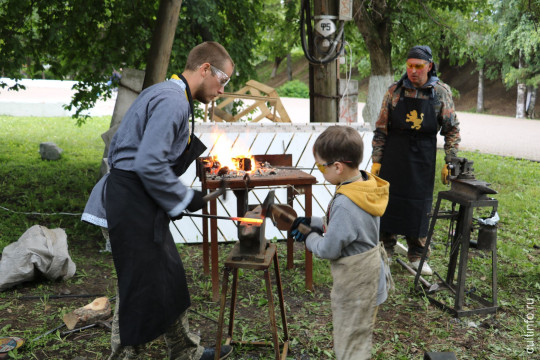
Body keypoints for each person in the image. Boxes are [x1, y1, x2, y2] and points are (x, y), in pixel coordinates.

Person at [82, 41, 235, 360]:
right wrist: (184, 198)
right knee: (139, 289)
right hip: (128, 204)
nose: (222, 89)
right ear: (205, 69)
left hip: (140, 201)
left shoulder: (167, 93)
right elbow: (149, 162)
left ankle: (185, 351)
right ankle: (124, 356)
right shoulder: (172, 101)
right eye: (224, 80)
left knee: (167, 277)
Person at [290, 125, 392, 360]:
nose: (320, 171)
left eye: (320, 166)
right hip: (371, 277)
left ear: (337, 166)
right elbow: (354, 226)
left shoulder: (346, 203)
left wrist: (309, 236)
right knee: (358, 335)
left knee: (351, 343)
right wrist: (316, 222)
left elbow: (328, 249)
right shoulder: (364, 185)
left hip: (358, 285)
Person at [371, 45, 461, 276]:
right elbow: (381, 128)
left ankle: (418, 254)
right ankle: (385, 251)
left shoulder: (441, 93)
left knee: (419, 205)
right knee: (388, 204)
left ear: (429, 66)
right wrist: (377, 160)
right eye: (409, 65)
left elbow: (451, 130)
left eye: (418, 66)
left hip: (423, 158)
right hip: (394, 156)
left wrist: (450, 160)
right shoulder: (395, 91)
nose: (413, 71)